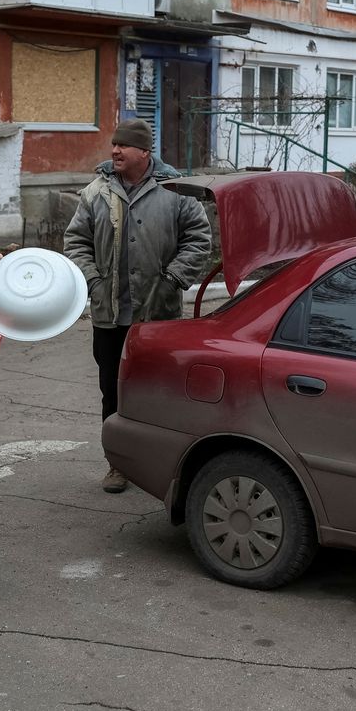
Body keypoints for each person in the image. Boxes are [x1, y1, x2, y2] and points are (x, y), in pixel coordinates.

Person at [64, 118, 211, 493]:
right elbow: (76, 241)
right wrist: (94, 281)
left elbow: (198, 239)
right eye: (113, 144)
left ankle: (161, 466)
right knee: (113, 393)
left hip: (157, 316)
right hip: (109, 317)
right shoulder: (96, 192)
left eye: (123, 146)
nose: (115, 150)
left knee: (158, 393)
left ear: (145, 152)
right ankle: (118, 465)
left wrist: (173, 279)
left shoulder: (176, 191)